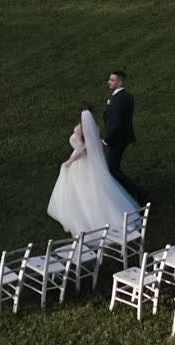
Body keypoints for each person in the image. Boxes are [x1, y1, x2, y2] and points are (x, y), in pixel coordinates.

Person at [47, 102, 140, 234]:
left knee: (80, 190)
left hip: (80, 161)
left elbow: (81, 148)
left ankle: (81, 214)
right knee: (93, 188)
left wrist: (69, 161)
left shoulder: (78, 129)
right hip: (90, 161)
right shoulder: (94, 127)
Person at [102, 70, 145, 202]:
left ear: (120, 82)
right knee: (113, 168)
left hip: (117, 139)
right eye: (109, 79)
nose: (109, 82)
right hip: (120, 138)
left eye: (112, 80)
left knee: (112, 169)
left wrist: (106, 139)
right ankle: (131, 193)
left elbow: (117, 122)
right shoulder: (123, 96)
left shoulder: (120, 98)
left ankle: (138, 193)